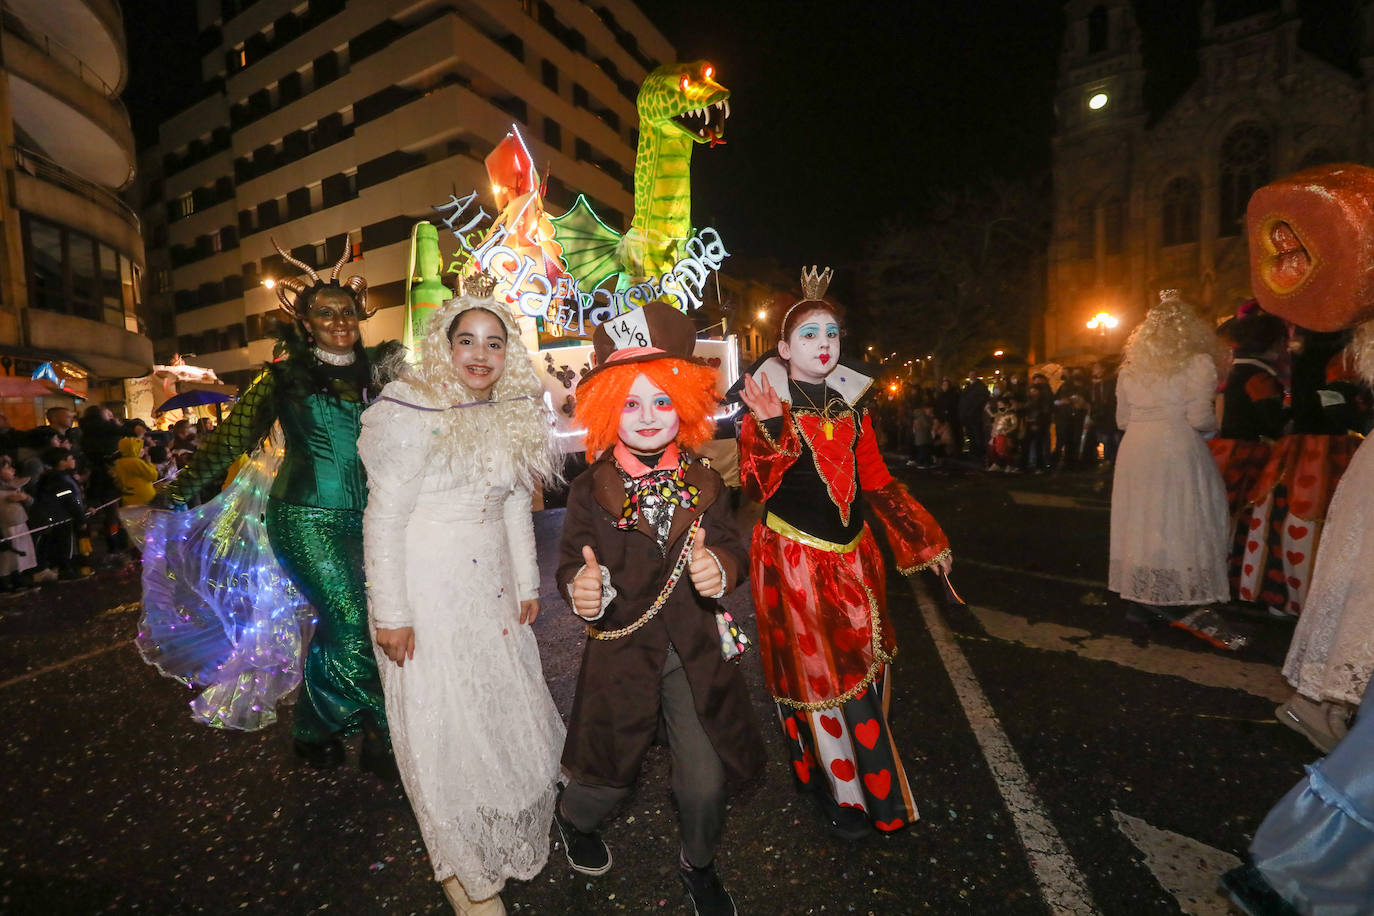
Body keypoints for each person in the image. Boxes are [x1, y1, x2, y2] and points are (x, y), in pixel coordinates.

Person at [156, 236, 402, 773]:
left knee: (352, 626)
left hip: (375, 520)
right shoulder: (283, 377)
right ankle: (385, 734)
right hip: (305, 517)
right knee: (355, 622)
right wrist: (180, 489)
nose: (339, 320)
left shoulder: (380, 374)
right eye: (325, 312)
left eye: (346, 311)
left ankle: (314, 729)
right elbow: (229, 441)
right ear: (304, 320)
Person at [359, 275, 565, 916]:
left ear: (509, 355)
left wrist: (526, 585)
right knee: (441, 731)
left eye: (495, 344)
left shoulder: (505, 414)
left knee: (493, 718)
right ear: (443, 344)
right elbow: (383, 519)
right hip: (424, 590)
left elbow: (511, 509)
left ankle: (488, 843)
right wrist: (391, 612)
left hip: (486, 590)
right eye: (467, 340)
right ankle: (468, 879)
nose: (481, 354)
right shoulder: (409, 409)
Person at [555, 301, 763, 916]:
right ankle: (576, 822)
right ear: (605, 409)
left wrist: (719, 567)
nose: (647, 417)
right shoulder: (589, 489)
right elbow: (572, 561)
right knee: (604, 779)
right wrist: (583, 589)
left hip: (696, 653)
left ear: (687, 404)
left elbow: (730, 547)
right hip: (624, 651)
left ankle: (698, 864)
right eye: (630, 402)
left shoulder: (708, 481)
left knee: (705, 784)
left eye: (663, 400)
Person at [738, 267, 952, 841]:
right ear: (783, 349)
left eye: (831, 332)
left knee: (866, 670)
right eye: (808, 334)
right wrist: (768, 429)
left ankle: (864, 784)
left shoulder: (854, 403)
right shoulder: (766, 405)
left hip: (855, 559)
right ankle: (844, 795)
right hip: (793, 560)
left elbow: (877, 480)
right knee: (819, 681)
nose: (823, 344)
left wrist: (925, 539)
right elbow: (757, 486)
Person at [1108, 290, 1233, 641]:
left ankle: (1142, 599)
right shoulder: (1198, 363)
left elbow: (1121, 419)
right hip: (1176, 444)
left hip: (1136, 448)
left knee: (1143, 520)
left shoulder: (1130, 368)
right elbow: (1200, 417)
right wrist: (1210, 431)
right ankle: (1177, 595)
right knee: (1182, 516)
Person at [29, 447, 89, 583]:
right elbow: (70, 500)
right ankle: (64, 569)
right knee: (64, 543)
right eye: (70, 458)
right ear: (61, 462)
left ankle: (58, 567)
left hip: (57, 517)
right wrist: (81, 518)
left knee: (59, 543)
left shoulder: (54, 477)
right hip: (62, 518)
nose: (73, 460)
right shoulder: (60, 479)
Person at [0, 455, 35, 592]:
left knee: (19, 553)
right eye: (7, 467)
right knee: (6, 557)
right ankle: (5, 581)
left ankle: (18, 577)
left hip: (19, 523)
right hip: (5, 526)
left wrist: (24, 497)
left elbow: (31, 502)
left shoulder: (15, 485)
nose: (12, 470)